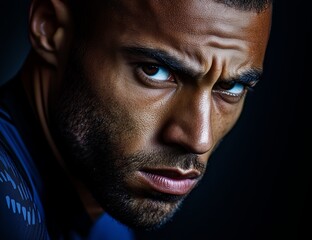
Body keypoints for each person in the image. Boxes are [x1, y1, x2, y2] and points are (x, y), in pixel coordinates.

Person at [0, 0, 273, 239]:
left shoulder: (107, 225)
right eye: (154, 71)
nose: (199, 139)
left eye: (232, 88)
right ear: (50, 27)